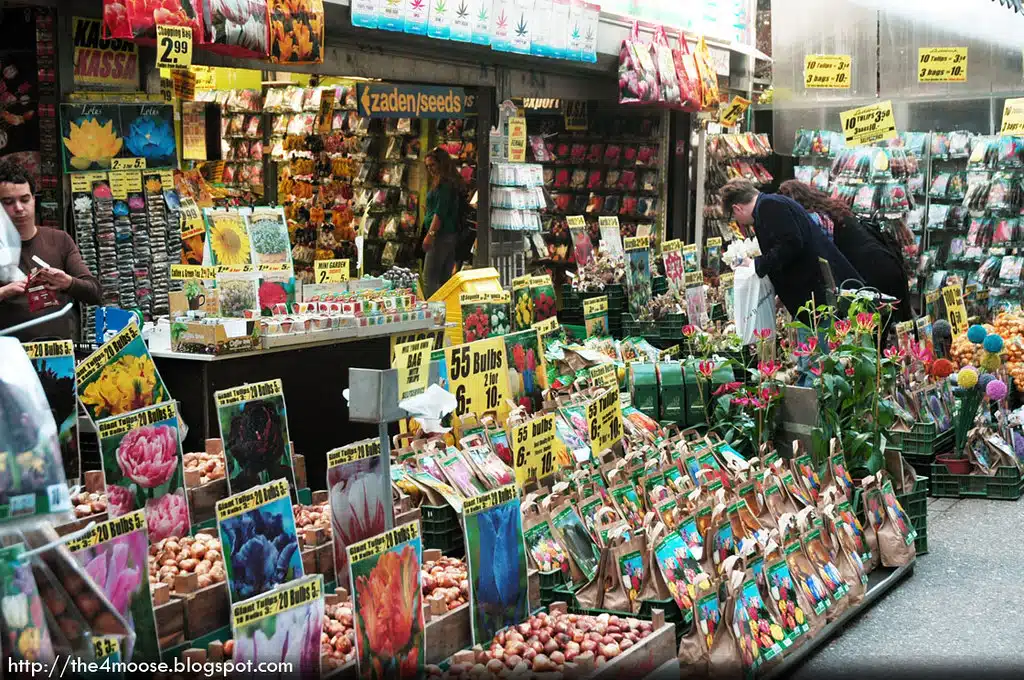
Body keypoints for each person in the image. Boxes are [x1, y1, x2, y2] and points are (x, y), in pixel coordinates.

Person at [720, 178, 862, 322]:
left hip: (816, 298)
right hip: (813, 296)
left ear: (737, 208)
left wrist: (756, 264)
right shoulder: (770, 205)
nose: (737, 221)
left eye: (734, 217)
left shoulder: (768, 206)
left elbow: (790, 243)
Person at [778, 179, 912, 322]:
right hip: (888, 265)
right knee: (894, 332)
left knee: (873, 334)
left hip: (874, 276)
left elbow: (822, 259)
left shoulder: (816, 219)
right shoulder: (831, 210)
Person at [0, 159, 101, 341]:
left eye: (25, 199)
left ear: (33, 199)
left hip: (59, 357)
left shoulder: (59, 240)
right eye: (8, 202)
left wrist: (68, 283)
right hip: (10, 361)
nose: (19, 208)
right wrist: (4, 292)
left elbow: (95, 292)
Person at [422, 147, 464, 298]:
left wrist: (430, 235)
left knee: (429, 279)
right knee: (443, 279)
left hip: (440, 237)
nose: (430, 169)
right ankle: (442, 312)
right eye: (427, 166)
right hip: (449, 236)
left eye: (432, 165)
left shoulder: (444, 185)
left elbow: (440, 213)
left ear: (441, 163)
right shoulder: (449, 182)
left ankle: (432, 314)